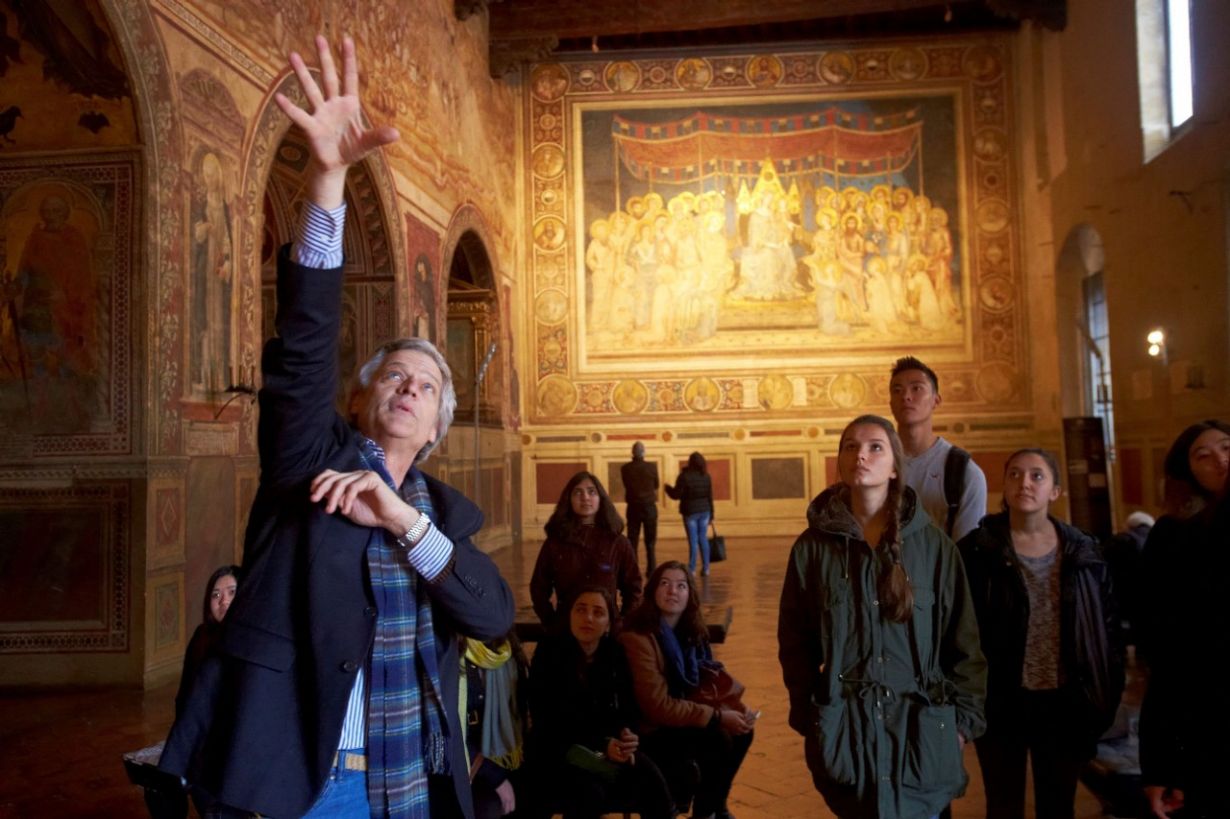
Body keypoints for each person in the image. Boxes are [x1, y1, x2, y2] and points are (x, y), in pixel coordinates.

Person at [159, 35, 515, 819]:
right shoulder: (308, 458)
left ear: (436, 428)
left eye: (428, 385)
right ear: (360, 400)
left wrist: (402, 520)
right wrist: (327, 181)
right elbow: (307, 344)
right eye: (394, 374)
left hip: (411, 776)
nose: (410, 386)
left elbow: (491, 613)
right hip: (313, 782)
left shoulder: (441, 515)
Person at [777, 414, 986, 819]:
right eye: (851, 447)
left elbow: (965, 643)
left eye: (875, 447)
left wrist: (962, 724)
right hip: (849, 735)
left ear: (894, 467)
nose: (861, 455)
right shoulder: (812, 550)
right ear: (840, 461)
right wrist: (810, 717)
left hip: (921, 735)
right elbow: (795, 645)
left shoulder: (934, 548)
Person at [958, 448, 1123, 819]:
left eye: (1037, 475)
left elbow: (1107, 628)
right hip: (1001, 700)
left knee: (1058, 804)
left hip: (1064, 701)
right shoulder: (977, 550)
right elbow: (959, 626)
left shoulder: (1083, 550)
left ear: (1055, 491)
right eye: (1015, 474)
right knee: (1003, 805)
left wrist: (1104, 692)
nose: (1025, 483)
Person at [1138, 420, 1230, 819]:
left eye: (1227, 447)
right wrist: (1160, 765)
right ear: (1187, 472)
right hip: (1209, 721)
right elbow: (1166, 654)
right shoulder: (1174, 536)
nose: (1220, 460)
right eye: (1203, 456)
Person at [620, 562, 755, 819]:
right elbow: (657, 706)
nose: (673, 591)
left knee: (743, 731)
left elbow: (707, 685)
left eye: (681, 585)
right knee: (717, 739)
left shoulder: (692, 632)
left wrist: (737, 708)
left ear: (689, 594)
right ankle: (707, 811)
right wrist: (717, 716)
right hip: (650, 728)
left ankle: (713, 807)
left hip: (680, 716)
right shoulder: (639, 637)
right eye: (665, 583)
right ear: (653, 590)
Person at [528, 588, 674, 819]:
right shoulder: (549, 652)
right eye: (581, 610)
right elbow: (548, 719)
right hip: (561, 751)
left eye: (598, 612)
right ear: (569, 616)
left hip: (605, 750)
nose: (588, 618)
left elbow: (626, 706)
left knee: (650, 777)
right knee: (588, 793)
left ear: (608, 624)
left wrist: (627, 734)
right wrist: (603, 744)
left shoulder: (614, 653)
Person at [889, 356, 987, 541]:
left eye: (916, 388)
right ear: (891, 403)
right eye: (897, 390)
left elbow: (965, 549)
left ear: (936, 400)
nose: (906, 396)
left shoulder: (963, 472)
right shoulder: (875, 462)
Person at [530, 471, 642, 632]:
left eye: (592, 492)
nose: (585, 498)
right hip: (565, 631)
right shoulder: (555, 543)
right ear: (568, 499)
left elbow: (634, 588)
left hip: (607, 631)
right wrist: (552, 623)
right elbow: (538, 588)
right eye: (578, 492)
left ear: (600, 498)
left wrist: (621, 624)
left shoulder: (618, 543)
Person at [461, 631, 528, 819]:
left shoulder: (508, 650)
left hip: (507, 756)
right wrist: (496, 778)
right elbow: (448, 732)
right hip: (469, 763)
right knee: (490, 807)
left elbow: (520, 714)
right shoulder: (453, 651)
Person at [1101, 510, 1154, 647]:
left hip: (1119, 594)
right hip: (1146, 595)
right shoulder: (1158, 539)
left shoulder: (1117, 540)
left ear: (1130, 525)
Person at [665, 452, 715, 576]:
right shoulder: (706, 476)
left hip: (690, 511)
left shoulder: (684, 476)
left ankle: (692, 568)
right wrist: (712, 514)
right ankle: (706, 568)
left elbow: (676, 495)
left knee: (693, 540)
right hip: (705, 511)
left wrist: (667, 489)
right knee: (703, 538)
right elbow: (710, 497)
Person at [621, 441, 660, 573]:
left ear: (632, 452)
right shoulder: (651, 467)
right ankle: (651, 569)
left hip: (633, 507)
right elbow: (656, 485)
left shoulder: (625, 468)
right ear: (644, 452)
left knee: (632, 540)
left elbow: (626, 485)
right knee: (650, 542)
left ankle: (633, 569)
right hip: (649, 507)